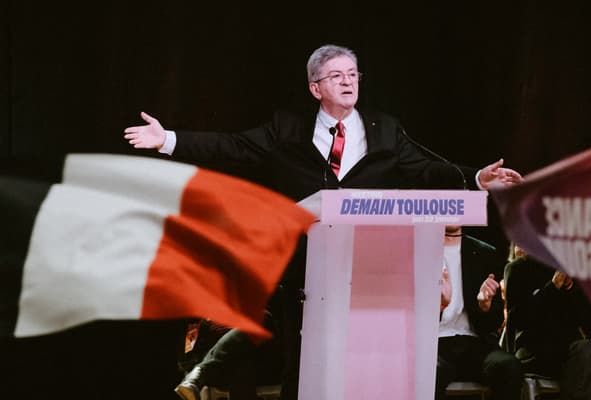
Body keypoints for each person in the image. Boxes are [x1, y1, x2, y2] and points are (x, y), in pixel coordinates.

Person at [124, 44, 523, 400]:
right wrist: (168, 140)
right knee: (302, 371)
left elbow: (426, 167)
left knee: (364, 373)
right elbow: (235, 147)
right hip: (305, 271)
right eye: (337, 76)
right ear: (316, 88)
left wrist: (476, 178)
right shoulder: (288, 129)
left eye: (353, 74)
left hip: (369, 270)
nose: (348, 82)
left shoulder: (384, 128)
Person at [503, 244, 591, 399]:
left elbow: (587, 323)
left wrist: (571, 288)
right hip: (534, 350)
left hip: (569, 351)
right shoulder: (518, 268)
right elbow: (517, 319)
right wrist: (553, 287)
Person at [435, 226, 522, 400]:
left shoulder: (484, 253)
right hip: (435, 344)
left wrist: (485, 306)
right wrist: (438, 307)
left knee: (508, 366)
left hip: (475, 343)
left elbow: (495, 320)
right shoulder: (418, 252)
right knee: (428, 372)